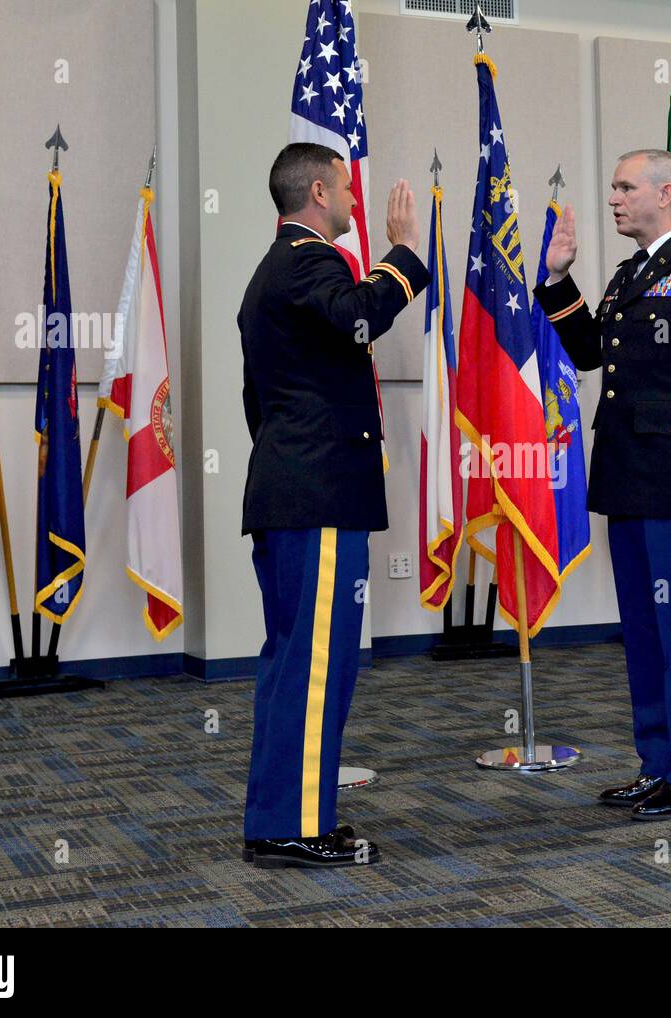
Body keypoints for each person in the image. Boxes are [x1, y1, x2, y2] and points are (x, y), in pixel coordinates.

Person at [532, 149, 671, 819]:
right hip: (629, 481)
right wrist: (559, 281)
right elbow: (594, 353)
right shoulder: (633, 274)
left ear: (666, 191)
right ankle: (658, 763)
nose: (614, 198)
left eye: (627, 187)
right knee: (648, 633)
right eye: (613, 187)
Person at [238, 142, 428, 867]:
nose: (354, 200)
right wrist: (404, 255)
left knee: (294, 661)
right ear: (318, 191)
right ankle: (294, 825)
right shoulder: (307, 261)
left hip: (293, 489)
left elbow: (259, 400)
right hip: (314, 496)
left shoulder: (270, 272)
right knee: (316, 664)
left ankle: (286, 815)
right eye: (345, 187)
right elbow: (359, 314)